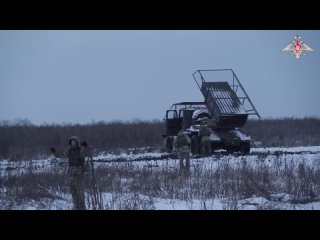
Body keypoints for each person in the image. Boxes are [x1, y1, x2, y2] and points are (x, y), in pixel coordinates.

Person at [67, 136, 86, 210]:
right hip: (71, 173)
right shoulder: (69, 150)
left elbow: (91, 152)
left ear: (77, 142)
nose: (73, 143)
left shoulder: (81, 150)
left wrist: (86, 147)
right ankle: (76, 207)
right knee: (73, 191)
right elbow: (62, 154)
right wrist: (55, 153)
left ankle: (82, 208)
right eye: (72, 142)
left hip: (79, 173)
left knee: (80, 192)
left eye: (74, 142)